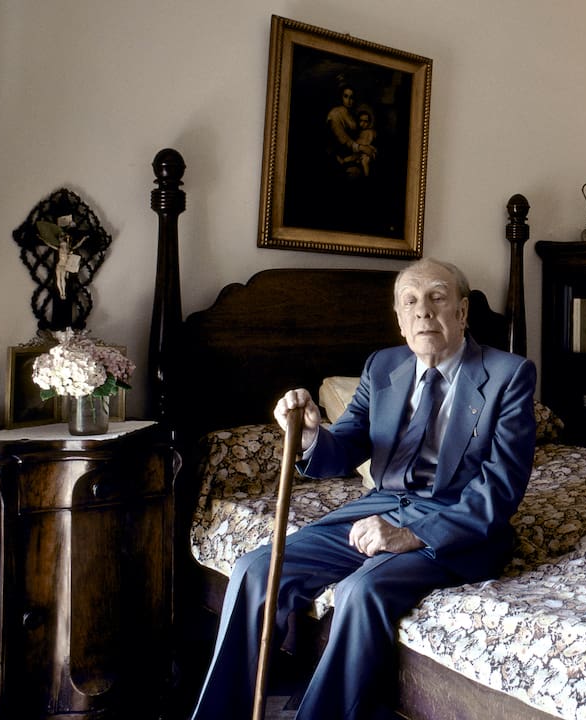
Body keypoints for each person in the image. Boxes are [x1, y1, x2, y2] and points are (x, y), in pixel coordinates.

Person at [190, 258, 537, 720]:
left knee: (360, 591)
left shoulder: (508, 375)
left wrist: (411, 535)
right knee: (254, 568)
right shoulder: (383, 366)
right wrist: (312, 433)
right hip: (379, 507)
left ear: (462, 310)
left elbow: (498, 490)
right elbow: (346, 445)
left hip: (459, 527)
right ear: (398, 318)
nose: (423, 312)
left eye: (437, 297)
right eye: (410, 301)